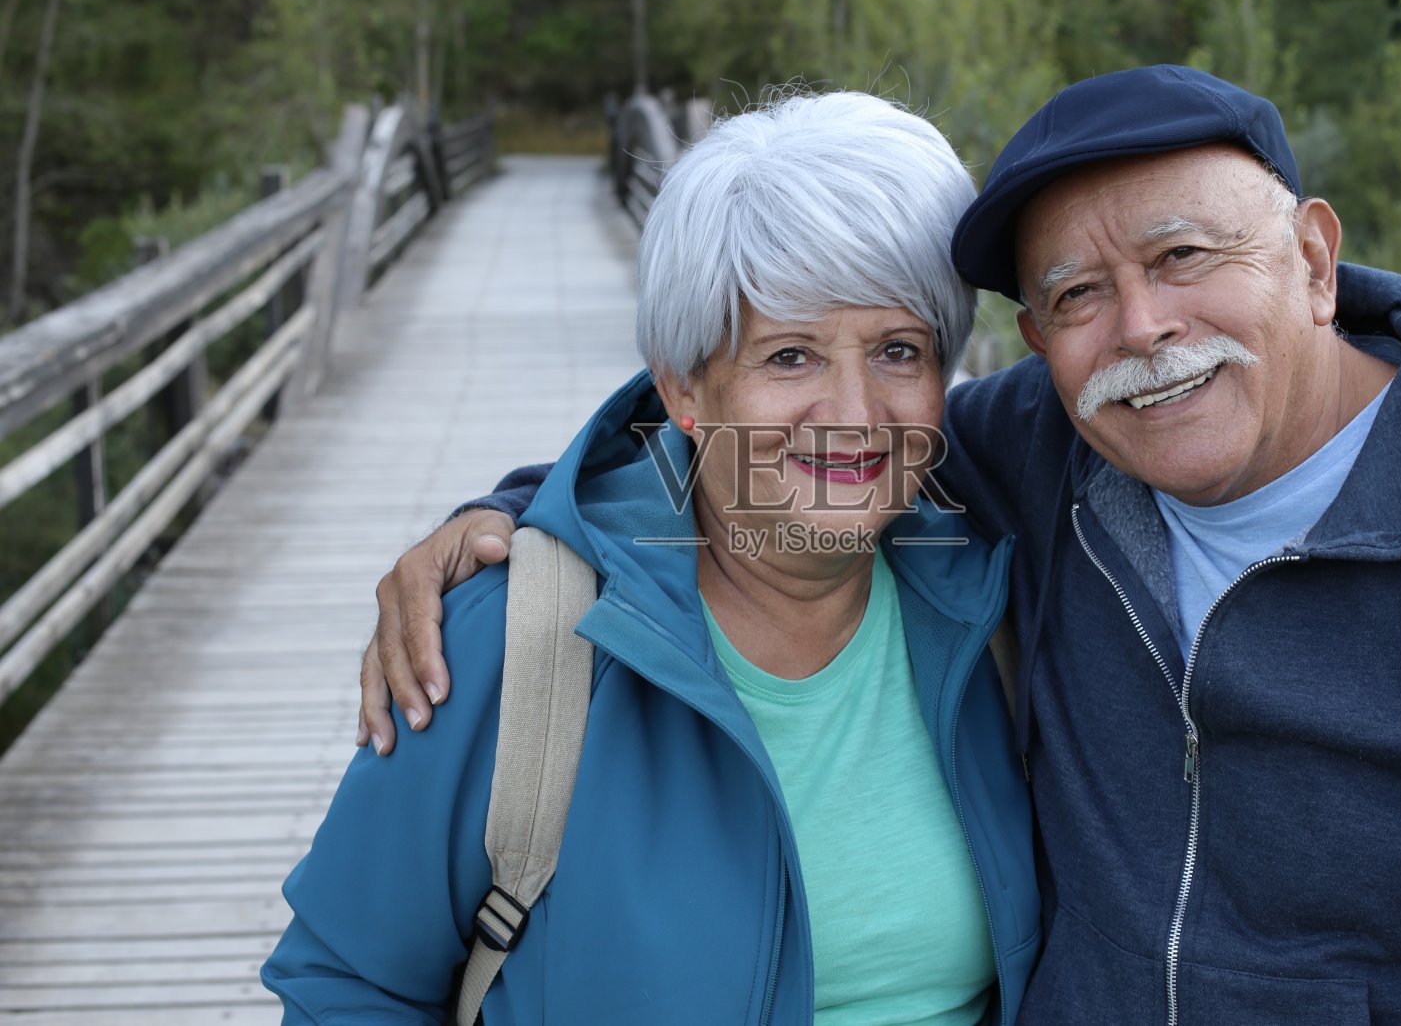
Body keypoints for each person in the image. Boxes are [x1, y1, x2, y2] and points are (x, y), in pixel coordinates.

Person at [362, 66, 1401, 1024]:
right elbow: (799, 441)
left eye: (1183, 256)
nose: (1143, 328)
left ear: (1316, 262)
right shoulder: (1059, 441)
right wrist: (535, 510)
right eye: (1073, 295)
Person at [262, 91, 1039, 1024]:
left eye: (899, 350)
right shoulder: (509, 642)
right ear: (683, 387)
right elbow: (345, 986)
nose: (854, 411)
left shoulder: (998, 597)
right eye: (790, 356)